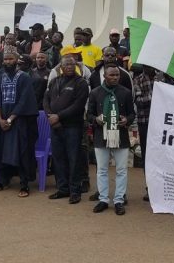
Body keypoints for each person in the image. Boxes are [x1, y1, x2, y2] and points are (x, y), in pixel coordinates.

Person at [86, 65, 135, 215]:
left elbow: (132, 114)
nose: (115, 77)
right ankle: (103, 199)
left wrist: (126, 120)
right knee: (101, 170)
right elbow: (89, 115)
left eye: (117, 75)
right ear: (105, 77)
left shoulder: (125, 93)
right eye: (112, 75)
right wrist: (96, 120)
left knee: (121, 170)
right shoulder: (95, 93)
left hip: (120, 136)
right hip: (102, 136)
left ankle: (119, 200)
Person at [0, 49, 39, 196]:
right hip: (2, 122)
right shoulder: (1, 76)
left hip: (19, 121)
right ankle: (3, 180)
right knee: (1, 150)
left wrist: (10, 119)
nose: (7, 62)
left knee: (22, 151)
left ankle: (24, 185)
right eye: (5, 59)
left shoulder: (24, 77)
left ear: (17, 60)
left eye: (10, 59)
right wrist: (0, 119)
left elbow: (24, 101)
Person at [44, 55, 90, 204]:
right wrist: (50, 115)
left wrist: (59, 116)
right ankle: (63, 189)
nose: (69, 67)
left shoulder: (81, 83)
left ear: (75, 66)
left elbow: (78, 105)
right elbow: (45, 100)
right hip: (55, 127)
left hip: (73, 127)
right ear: (61, 67)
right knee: (58, 158)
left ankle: (75, 191)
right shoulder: (54, 81)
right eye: (66, 65)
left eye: (71, 64)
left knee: (74, 159)